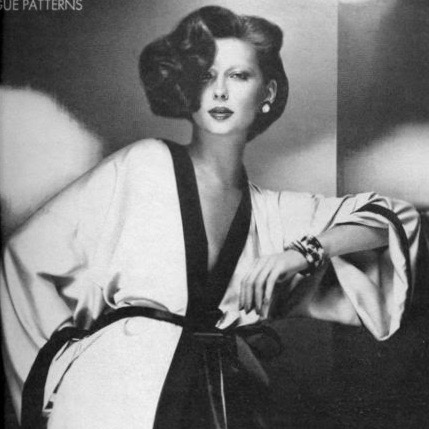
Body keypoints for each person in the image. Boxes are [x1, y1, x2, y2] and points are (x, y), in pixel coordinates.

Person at [0, 5, 421, 429]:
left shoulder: (273, 212)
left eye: (238, 75)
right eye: (205, 75)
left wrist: (306, 251)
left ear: (268, 92)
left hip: (225, 394)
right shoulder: (143, 165)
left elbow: (392, 220)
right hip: (117, 389)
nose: (219, 91)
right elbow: (23, 258)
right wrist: (63, 367)